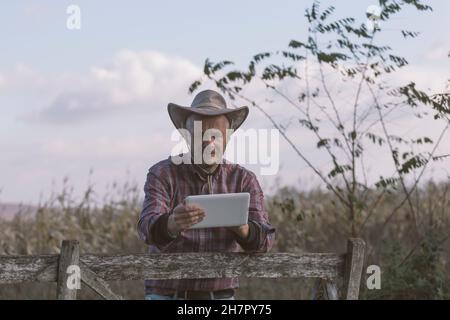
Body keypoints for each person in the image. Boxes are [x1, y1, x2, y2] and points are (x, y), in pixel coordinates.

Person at [137, 89, 276, 300]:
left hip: (220, 295)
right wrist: (172, 223)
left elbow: (265, 241)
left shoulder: (243, 179)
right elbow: (147, 229)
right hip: (166, 294)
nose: (209, 142)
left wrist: (243, 229)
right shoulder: (163, 173)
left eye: (216, 135)